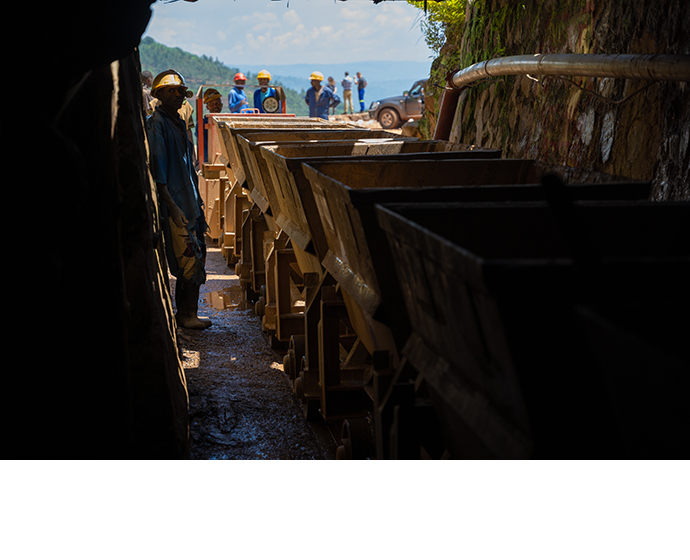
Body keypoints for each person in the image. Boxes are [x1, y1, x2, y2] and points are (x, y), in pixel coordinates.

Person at [146, 70, 212, 330]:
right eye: (169, 90)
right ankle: (185, 314)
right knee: (187, 258)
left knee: (196, 255)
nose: (176, 94)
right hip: (175, 200)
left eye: (179, 90)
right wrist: (171, 206)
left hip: (188, 199)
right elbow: (158, 171)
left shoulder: (177, 122)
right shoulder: (157, 124)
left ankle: (190, 311)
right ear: (159, 94)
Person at [198, 88, 224, 163]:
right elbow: (203, 147)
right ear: (207, 107)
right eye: (211, 104)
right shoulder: (202, 124)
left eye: (217, 103)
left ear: (221, 105)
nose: (215, 106)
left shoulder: (224, 122)